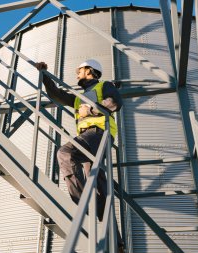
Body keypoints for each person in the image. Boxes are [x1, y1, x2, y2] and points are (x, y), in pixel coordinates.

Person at [35, 59, 124, 252]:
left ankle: (79, 202)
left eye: (80, 70)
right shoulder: (77, 97)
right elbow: (56, 95)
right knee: (101, 191)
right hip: (88, 140)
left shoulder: (104, 86)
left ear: (90, 71)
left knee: (65, 153)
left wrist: (91, 109)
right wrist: (44, 76)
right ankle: (117, 243)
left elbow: (115, 103)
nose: (76, 73)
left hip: (99, 133)